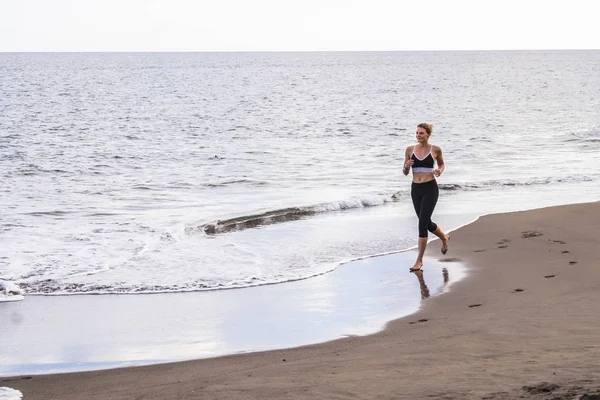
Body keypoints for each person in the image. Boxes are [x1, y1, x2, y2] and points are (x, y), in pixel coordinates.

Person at [402, 123, 450, 272]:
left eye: (421, 133)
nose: (418, 135)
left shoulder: (435, 149)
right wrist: (407, 166)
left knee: (422, 224)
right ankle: (444, 237)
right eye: (417, 133)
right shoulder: (410, 150)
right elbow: (404, 172)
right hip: (416, 189)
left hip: (430, 188)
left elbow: (442, 164)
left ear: (428, 135)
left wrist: (439, 171)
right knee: (426, 222)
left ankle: (419, 261)